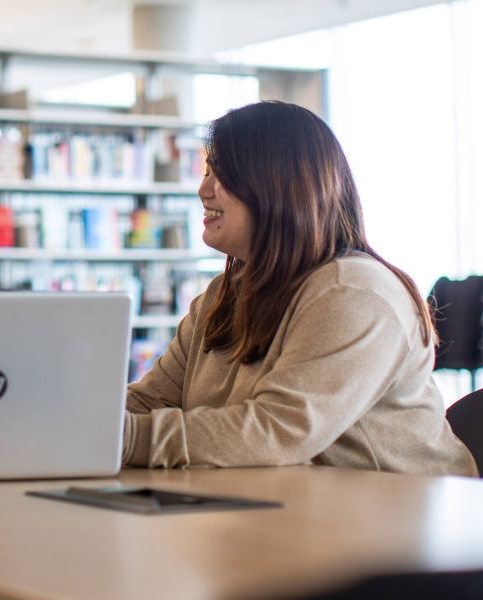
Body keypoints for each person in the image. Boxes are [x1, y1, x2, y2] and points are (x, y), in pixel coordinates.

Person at [123, 101, 477, 476]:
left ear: (277, 182)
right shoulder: (221, 296)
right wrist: (78, 425)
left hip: (404, 519)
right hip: (291, 510)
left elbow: (277, 431)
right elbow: (151, 401)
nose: (203, 189)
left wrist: (120, 438)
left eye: (221, 173)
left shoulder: (354, 293)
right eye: (206, 171)